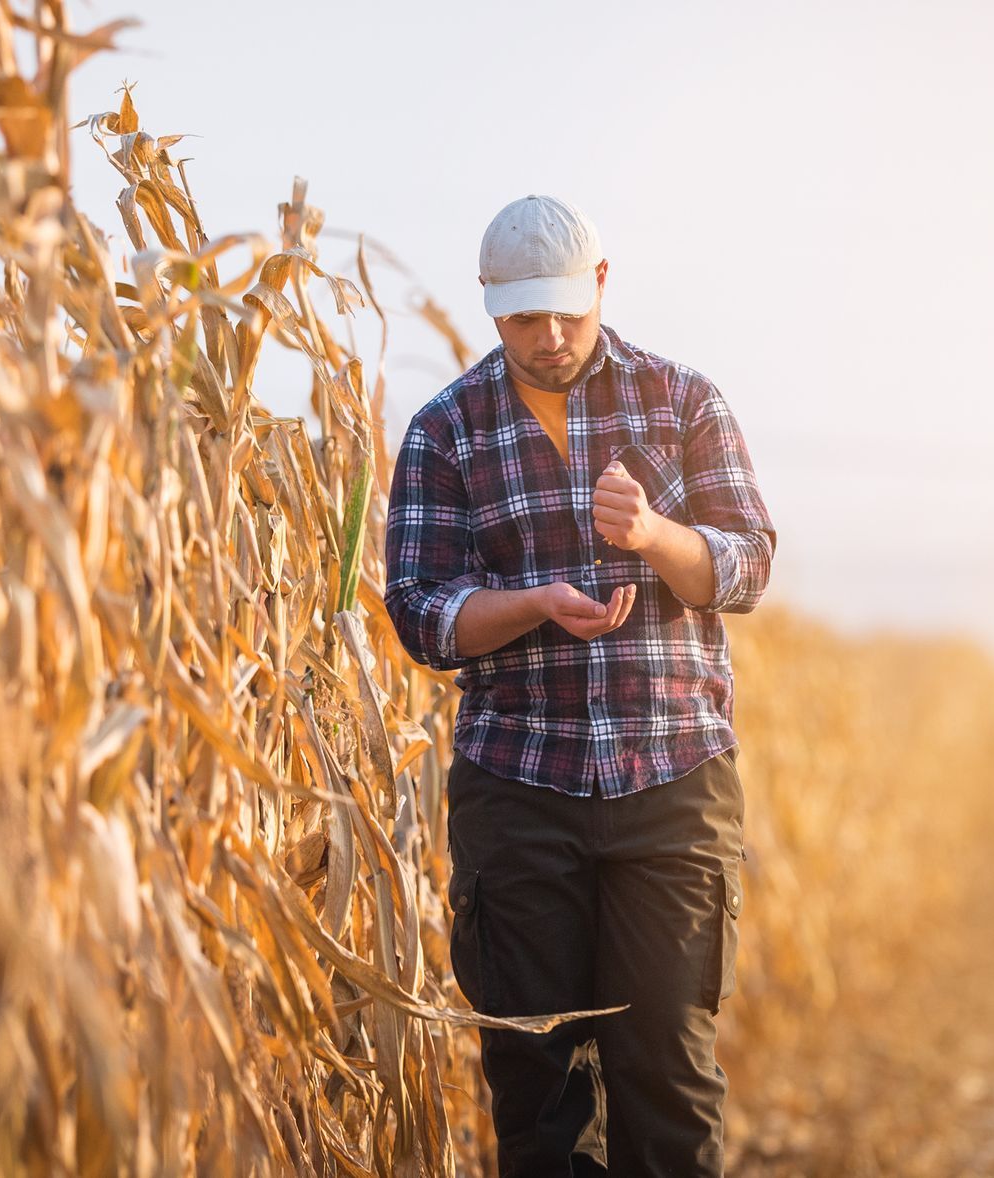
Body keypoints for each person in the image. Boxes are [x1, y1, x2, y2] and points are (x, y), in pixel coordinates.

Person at [383, 194, 777, 1177]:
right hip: (517, 786)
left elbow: (746, 566)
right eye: (523, 318)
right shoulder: (447, 431)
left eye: (566, 311)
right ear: (489, 306)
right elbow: (422, 615)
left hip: (671, 779)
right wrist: (534, 603)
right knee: (538, 1096)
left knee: (668, 1085)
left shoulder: (683, 402)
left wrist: (651, 536)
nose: (549, 337)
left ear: (601, 285)